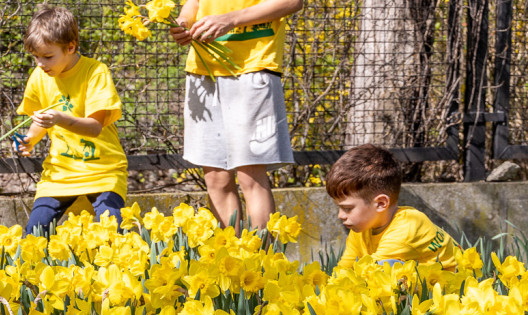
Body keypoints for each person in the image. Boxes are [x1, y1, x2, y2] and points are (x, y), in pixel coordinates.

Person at [170, 0, 303, 231]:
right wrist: (183, 24)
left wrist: (230, 19)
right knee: (215, 178)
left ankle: (262, 263)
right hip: (202, 71)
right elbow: (192, 4)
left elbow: (292, 2)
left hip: (253, 68)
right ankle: (229, 259)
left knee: (250, 176)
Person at [15, 4, 128, 236]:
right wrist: (29, 140)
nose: (40, 63)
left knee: (113, 231)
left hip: (104, 170)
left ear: (70, 47)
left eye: (47, 56)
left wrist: (59, 119)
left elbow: (95, 127)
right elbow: (41, 119)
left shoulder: (95, 72)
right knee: (34, 233)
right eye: (35, 56)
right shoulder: (39, 75)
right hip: (61, 171)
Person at [327, 144, 459, 270]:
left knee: (386, 267)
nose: (341, 215)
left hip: (456, 286)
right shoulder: (361, 229)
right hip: (423, 286)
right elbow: (344, 269)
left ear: (381, 204)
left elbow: (370, 274)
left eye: (347, 208)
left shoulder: (407, 227)